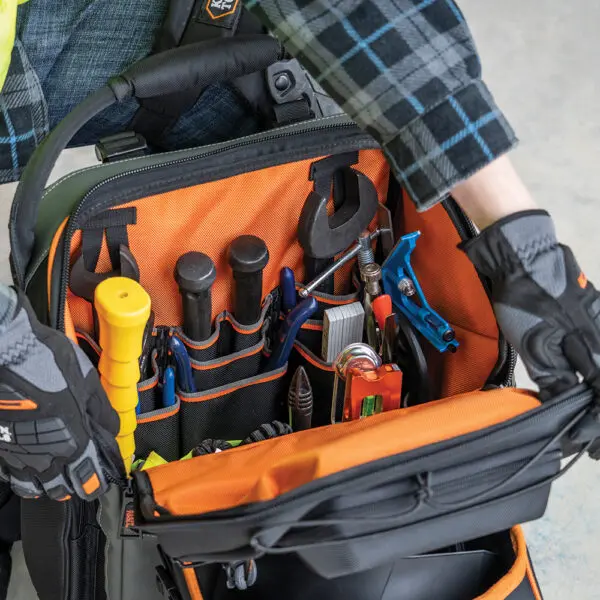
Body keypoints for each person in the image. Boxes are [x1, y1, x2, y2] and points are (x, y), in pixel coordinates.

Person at [0, 0, 598, 505]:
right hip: (17, 86)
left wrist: (519, 242)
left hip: (140, 23)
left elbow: (369, 19)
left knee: (309, 140)